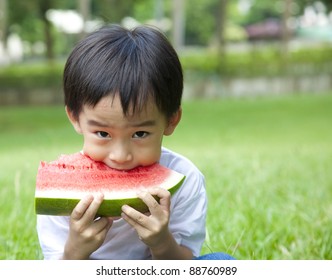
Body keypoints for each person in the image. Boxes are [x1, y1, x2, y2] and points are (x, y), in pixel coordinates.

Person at [36, 24, 234, 260]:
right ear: (75, 118)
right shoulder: (60, 189)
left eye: (139, 134)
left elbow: (186, 265)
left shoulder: (185, 178)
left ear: (171, 121)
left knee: (221, 262)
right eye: (103, 134)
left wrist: (161, 243)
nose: (120, 156)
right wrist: (74, 252)